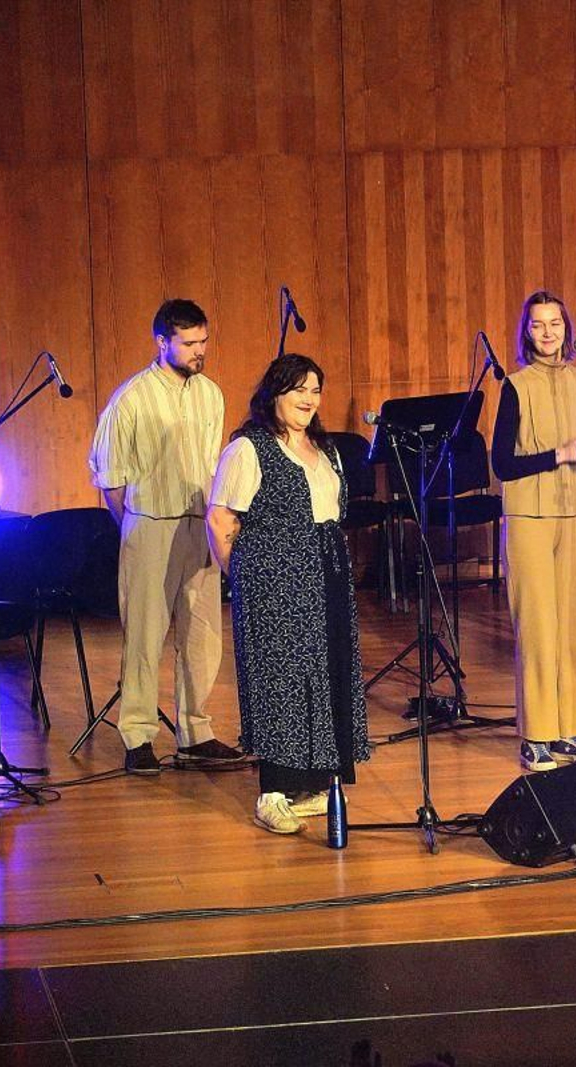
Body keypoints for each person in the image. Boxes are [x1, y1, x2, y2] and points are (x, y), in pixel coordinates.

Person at [206, 355, 370, 834]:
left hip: (327, 572)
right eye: (298, 389)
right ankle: (273, 791)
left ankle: (316, 782)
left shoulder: (325, 448)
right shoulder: (249, 448)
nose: (308, 399)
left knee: (325, 673)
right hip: (274, 577)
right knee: (281, 677)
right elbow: (221, 520)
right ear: (274, 393)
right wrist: (240, 575)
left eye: (315, 390)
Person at [89, 299, 243, 774]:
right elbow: (110, 478)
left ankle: (196, 732)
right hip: (149, 523)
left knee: (202, 633)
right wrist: (134, 528)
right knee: (145, 634)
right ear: (162, 342)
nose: (200, 351)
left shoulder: (210, 393)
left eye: (204, 341)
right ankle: (137, 734)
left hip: (199, 523)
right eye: (190, 343)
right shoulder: (131, 399)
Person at [491, 291, 576, 772]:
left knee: (575, 624)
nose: (548, 333)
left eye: (555, 323)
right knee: (538, 626)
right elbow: (502, 463)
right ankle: (536, 734)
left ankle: (569, 729)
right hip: (529, 516)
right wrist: (557, 455)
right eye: (538, 325)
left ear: (566, 327)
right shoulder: (515, 386)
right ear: (527, 332)